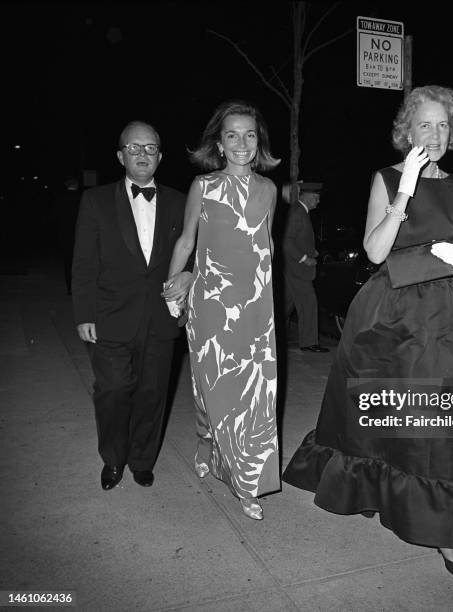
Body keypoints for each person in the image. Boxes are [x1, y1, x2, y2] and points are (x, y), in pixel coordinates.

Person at [283, 85, 453, 580]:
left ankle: (444, 531)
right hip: (386, 308)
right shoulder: (386, 179)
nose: (433, 134)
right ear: (406, 132)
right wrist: (405, 189)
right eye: (423, 125)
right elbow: (374, 251)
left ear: (451, 133)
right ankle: (370, 489)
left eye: (441, 125)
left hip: (439, 314)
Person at [164, 100, 280, 521]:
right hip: (212, 305)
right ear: (219, 142)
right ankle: (212, 450)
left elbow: (262, 251)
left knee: (255, 396)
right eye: (232, 134)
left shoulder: (269, 191)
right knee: (213, 388)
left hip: (256, 308)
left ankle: (245, 478)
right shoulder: (204, 186)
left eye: (250, 134)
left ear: (259, 140)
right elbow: (187, 243)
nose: (242, 143)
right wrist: (172, 289)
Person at [72, 120, 187, 490]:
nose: (142, 154)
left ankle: (141, 459)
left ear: (160, 156)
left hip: (160, 318)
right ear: (121, 155)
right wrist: (84, 313)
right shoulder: (96, 200)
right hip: (110, 317)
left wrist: (191, 277)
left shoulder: (180, 202)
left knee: (153, 394)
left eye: (150, 148)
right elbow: (84, 262)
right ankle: (113, 459)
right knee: (114, 391)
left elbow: (197, 253)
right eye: (134, 148)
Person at [282, 182, 329, 353]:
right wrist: (304, 258)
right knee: (309, 303)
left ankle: (268, 337)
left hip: (291, 269)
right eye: (316, 198)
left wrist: (311, 251)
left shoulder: (299, 211)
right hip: (297, 269)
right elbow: (286, 240)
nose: (318, 201)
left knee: (285, 306)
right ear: (307, 196)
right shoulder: (298, 212)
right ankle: (309, 343)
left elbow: (297, 239)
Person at [54, 175, 81, 295]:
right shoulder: (81, 198)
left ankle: (69, 287)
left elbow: (56, 216)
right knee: (80, 262)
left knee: (67, 262)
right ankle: (78, 286)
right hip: (79, 234)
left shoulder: (61, 198)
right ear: (76, 185)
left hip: (65, 233)